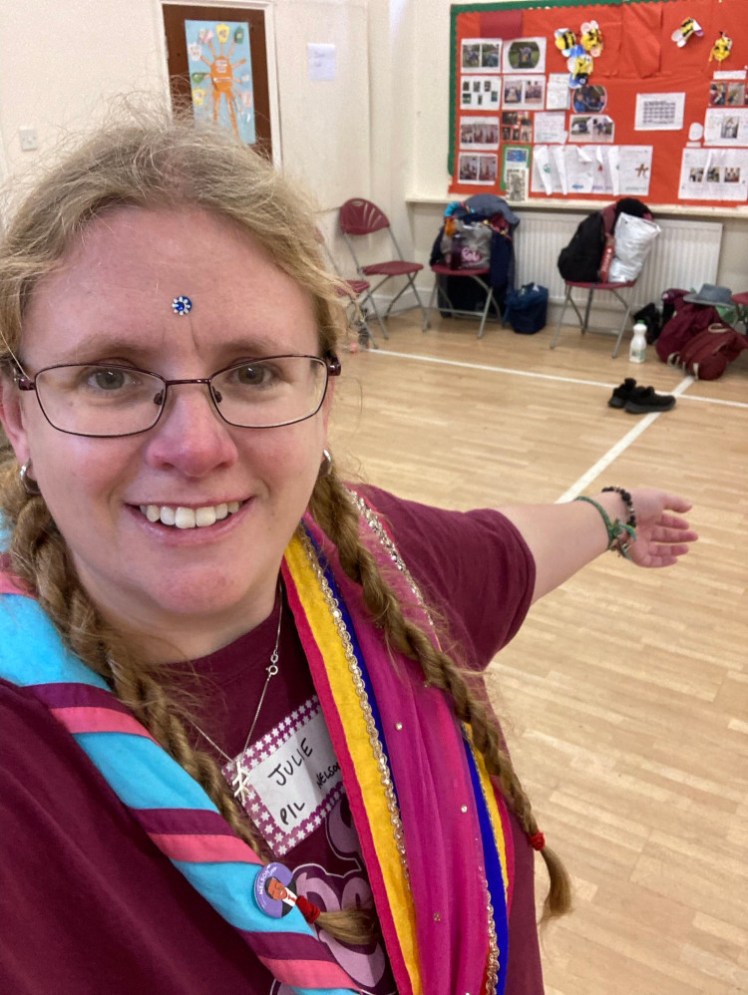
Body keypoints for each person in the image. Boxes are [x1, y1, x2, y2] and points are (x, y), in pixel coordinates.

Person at [0, 114, 697, 995]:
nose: (195, 445)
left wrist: (615, 512)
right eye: (110, 375)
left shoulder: (381, 565)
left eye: (253, 371)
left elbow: (511, 548)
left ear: (325, 397)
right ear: (17, 415)